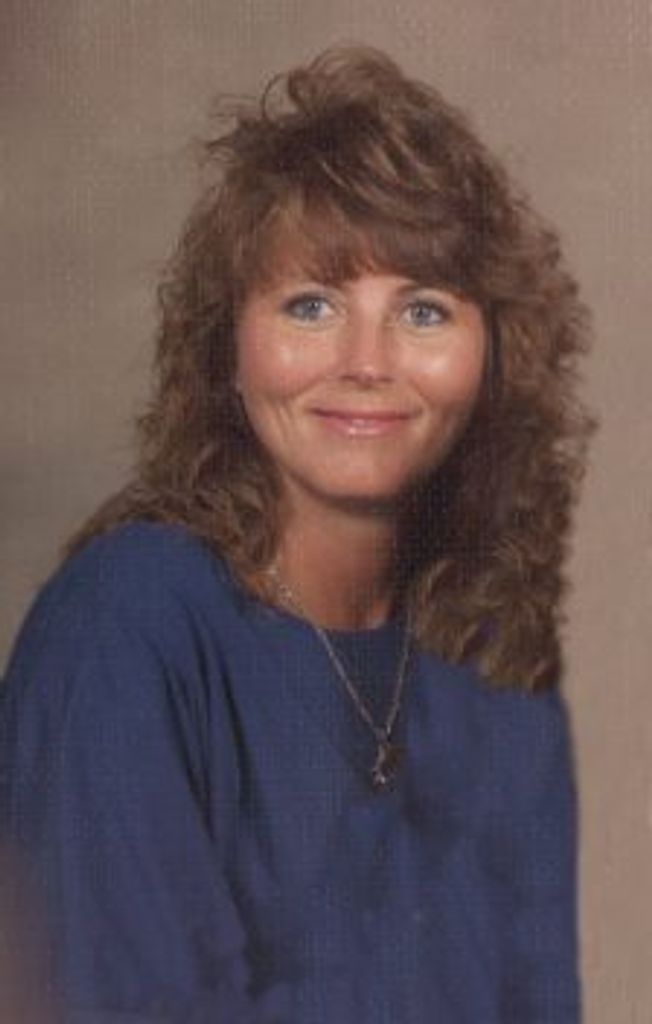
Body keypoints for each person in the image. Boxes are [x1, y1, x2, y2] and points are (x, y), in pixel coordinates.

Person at [1, 47, 594, 1023]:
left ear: (495, 358)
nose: (367, 362)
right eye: (311, 305)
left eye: (423, 309)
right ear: (226, 347)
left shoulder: (493, 665)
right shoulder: (123, 634)